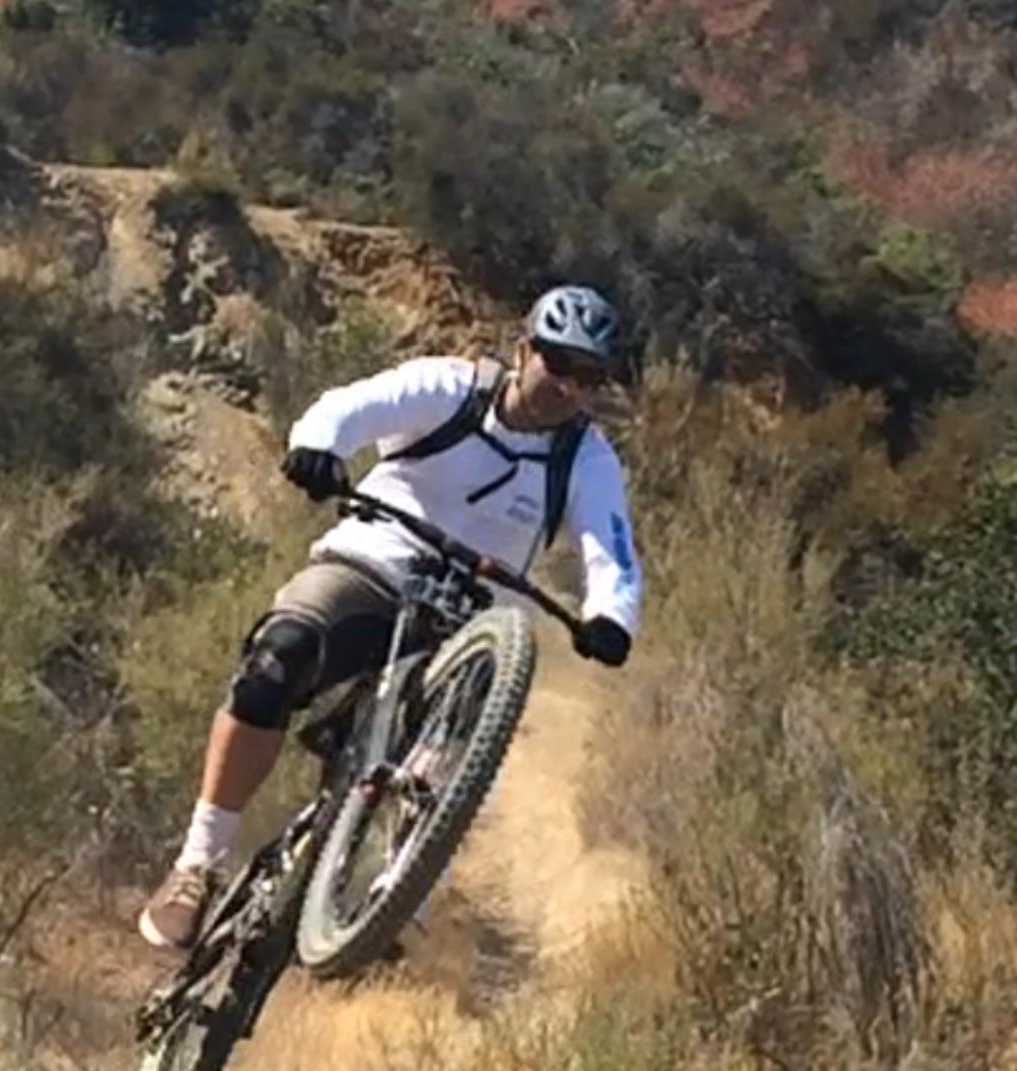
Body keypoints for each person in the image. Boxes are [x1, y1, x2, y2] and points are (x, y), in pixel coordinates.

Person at [138, 284, 646, 949]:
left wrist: (611, 617)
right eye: (558, 363)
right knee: (277, 660)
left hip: (472, 623)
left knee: (443, 772)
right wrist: (319, 446)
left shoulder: (586, 459)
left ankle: (387, 905)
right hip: (375, 562)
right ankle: (196, 865)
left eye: (589, 378)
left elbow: (612, 549)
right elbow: (349, 408)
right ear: (524, 351)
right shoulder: (450, 389)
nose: (568, 388)